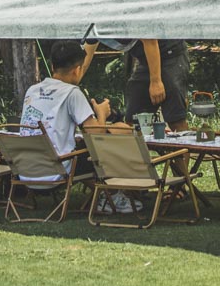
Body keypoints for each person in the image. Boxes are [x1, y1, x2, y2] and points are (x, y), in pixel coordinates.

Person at [19, 40, 135, 212]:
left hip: (26, 170)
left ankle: (106, 194)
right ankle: (110, 196)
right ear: (77, 70)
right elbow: (97, 136)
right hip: (55, 170)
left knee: (82, 146)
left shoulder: (32, 90)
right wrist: (101, 112)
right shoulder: (72, 93)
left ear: (52, 65)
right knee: (105, 148)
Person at [124, 38, 190, 132]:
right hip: (145, 60)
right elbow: (94, 42)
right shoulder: (95, 25)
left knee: (175, 119)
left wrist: (156, 82)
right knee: (134, 120)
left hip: (170, 54)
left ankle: (186, 144)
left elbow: (150, 40)